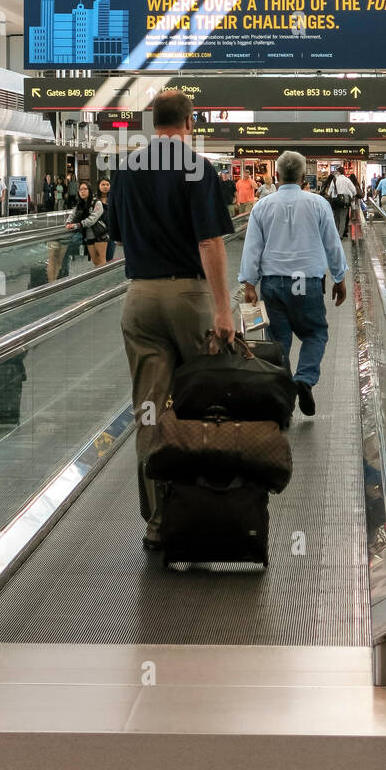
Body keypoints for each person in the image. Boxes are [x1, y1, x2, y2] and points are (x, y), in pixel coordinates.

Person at [108, 89, 235, 550]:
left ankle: (159, 521)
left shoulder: (125, 170)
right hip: (188, 294)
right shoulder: (198, 167)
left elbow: (116, 235)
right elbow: (209, 244)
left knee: (149, 410)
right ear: (189, 121)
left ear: (150, 122)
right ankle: (205, 509)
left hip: (139, 296)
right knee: (204, 399)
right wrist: (223, 307)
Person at [239, 149, 348, 418]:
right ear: (303, 176)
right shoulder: (318, 204)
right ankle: (305, 378)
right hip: (307, 282)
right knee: (314, 333)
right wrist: (339, 276)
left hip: (273, 283)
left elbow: (252, 247)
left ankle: (283, 396)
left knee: (278, 341)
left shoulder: (262, 206)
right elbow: (332, 244)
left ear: (276, 175)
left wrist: (249, 284)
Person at [67, 180, 109, 266]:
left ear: (89, 190)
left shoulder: (97, 203)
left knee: (102, 261)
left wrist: (77, 225)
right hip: (89, 237)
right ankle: (98, 279)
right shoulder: (80, 204)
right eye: (80, 189)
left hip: (100, 235)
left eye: (85, 189)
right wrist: (68, 222)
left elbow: (92, 219)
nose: (82, 191)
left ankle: (103, 279)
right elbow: (73, 214)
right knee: (95, 262)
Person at [325, 167, 357, 238]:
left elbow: (329, 191)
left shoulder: (334, 179)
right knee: (343, 218)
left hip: (336, 200)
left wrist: (329, 196)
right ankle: (340, 235)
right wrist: (352, 195)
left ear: (338, 172)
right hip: (344, 200)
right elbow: (354, 190)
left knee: (336, 217)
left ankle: (335, 233)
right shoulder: (347, 180)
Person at [97, 177, 117, 261]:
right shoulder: (94, 200)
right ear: (98, 186)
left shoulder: (114, 199)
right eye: (103, 184)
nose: (105, 187)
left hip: (110, 234)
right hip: (98, 234)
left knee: (109, 258)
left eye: (107, 185)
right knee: (99, 260)